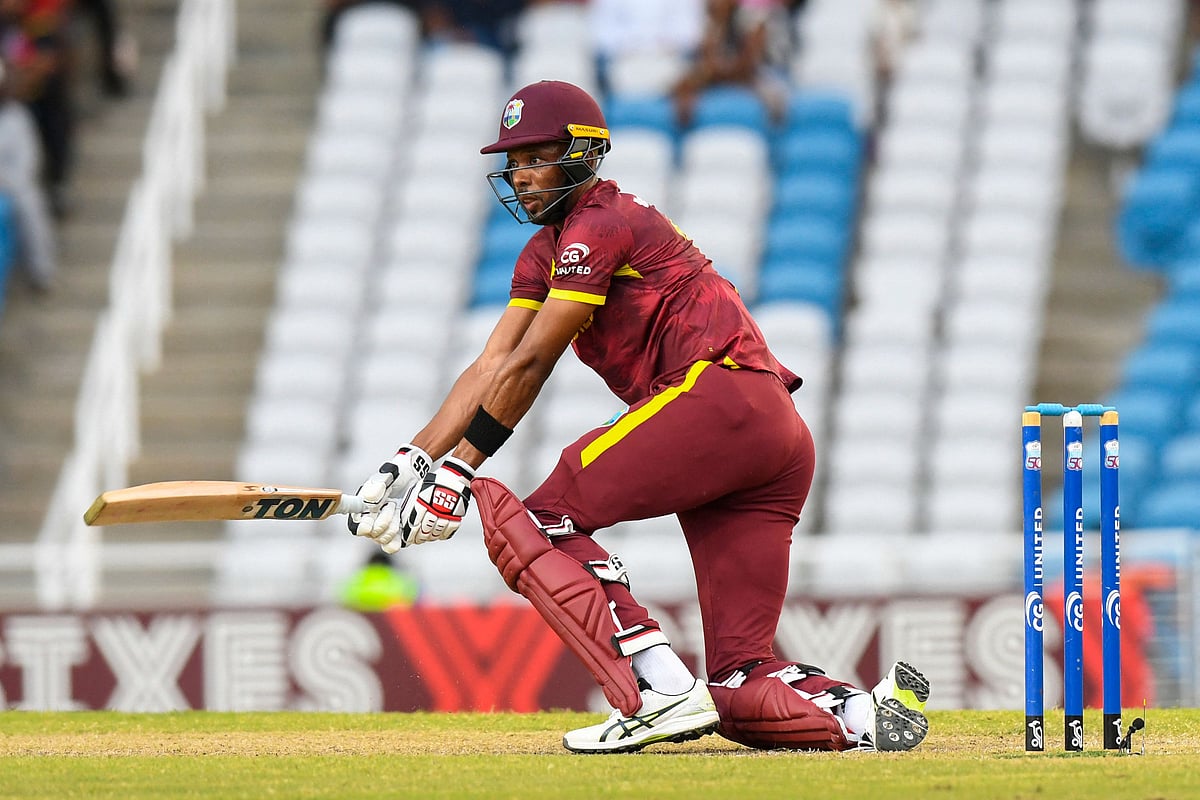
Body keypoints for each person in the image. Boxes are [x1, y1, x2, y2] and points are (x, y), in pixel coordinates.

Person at [347, 79, 931, 754]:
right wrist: (411, 461)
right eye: (514, 160)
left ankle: (655, 688)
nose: (520, 174)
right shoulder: (547, 251)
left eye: (535, 156)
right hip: (768, 430)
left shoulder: (602, 224)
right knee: (740, 678)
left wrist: (457, 473)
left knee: (539, 520)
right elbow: (491, 365)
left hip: (721, 401)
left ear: (584, 155)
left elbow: (533, 361)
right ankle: (867, 717)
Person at [339, 550, 419, 612]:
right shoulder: (399, 579)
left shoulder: (357, 578)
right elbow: (409, 603)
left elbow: (344, 602)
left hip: (363, 620)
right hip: (390, 622)